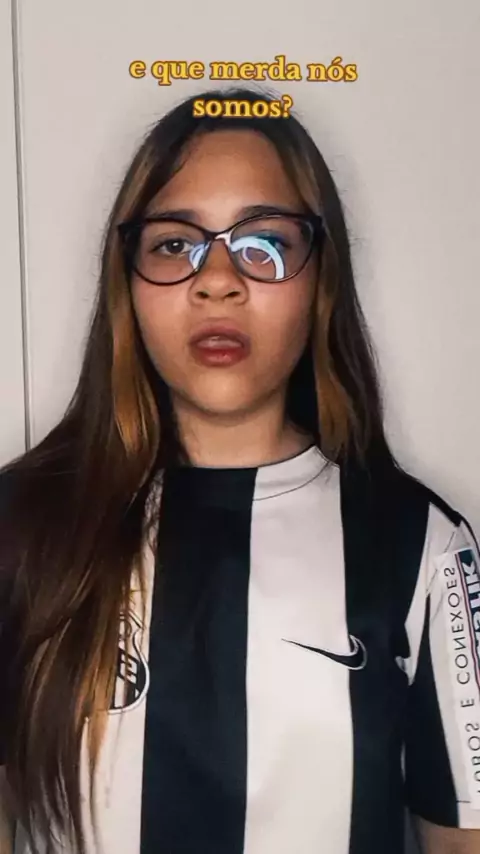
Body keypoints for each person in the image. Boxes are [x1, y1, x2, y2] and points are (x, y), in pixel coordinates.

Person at [0, 87, 479, 854]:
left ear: (321, 281)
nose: (217, 278)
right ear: (127, 283)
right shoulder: (20, 526)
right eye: (174, 243)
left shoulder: (421, 545)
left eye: (263, 243)